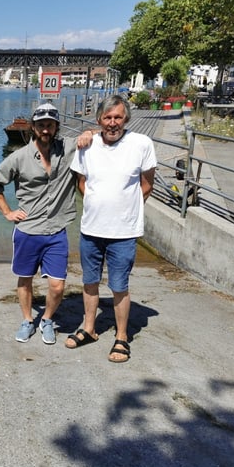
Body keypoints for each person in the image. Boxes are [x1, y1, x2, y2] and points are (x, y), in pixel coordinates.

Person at [0, 103, 93, 344]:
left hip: (56, 229)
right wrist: (8, 213)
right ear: (33, 127)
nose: (46, 129)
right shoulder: (18, 157)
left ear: (56, 127)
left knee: (57, 286)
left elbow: (99, 133)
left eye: (50, 125)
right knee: (25, 279)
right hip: (27, 230)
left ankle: (46, 319)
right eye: (41, 125)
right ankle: (27, 320)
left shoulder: (67, 148)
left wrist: (89, 133)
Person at [67, 94, 157, 363]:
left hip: (124, 233)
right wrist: (98, 203)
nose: (113, 122)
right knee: (89, 281)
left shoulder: (141, 144)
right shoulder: (88, 145)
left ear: (126, 118)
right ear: (99, 120)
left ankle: (121, 337)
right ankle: (90, 329)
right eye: (107, 117)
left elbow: (147, 184)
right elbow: (81, 182)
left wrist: (124, 209)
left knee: (119, 285)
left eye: (118, 117)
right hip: (91, 229)